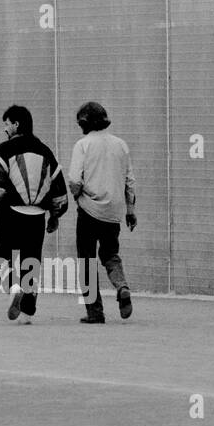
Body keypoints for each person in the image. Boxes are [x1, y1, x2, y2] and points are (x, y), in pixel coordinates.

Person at [0, 105, 68, 322]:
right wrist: (55, 215)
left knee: (0, 255)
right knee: (31, 260)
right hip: (37, 215)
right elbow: (59, 190)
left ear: (16, 124)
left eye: (7, 124)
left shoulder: (5, 149)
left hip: (10, 213)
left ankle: (14, 287)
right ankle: (28, 313)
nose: (5, 129)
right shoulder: (46, 151)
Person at [68, 101, 136, 323]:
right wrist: (130, 211)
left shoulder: (83, 145)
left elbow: (75, 180)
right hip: (114, 211)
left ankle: (94, 312)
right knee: (110, 255)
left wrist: (78, 197)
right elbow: (129, 181)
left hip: (88, 210)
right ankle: (121, 286)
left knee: (86, 261)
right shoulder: (121, 145)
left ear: (84, 122)